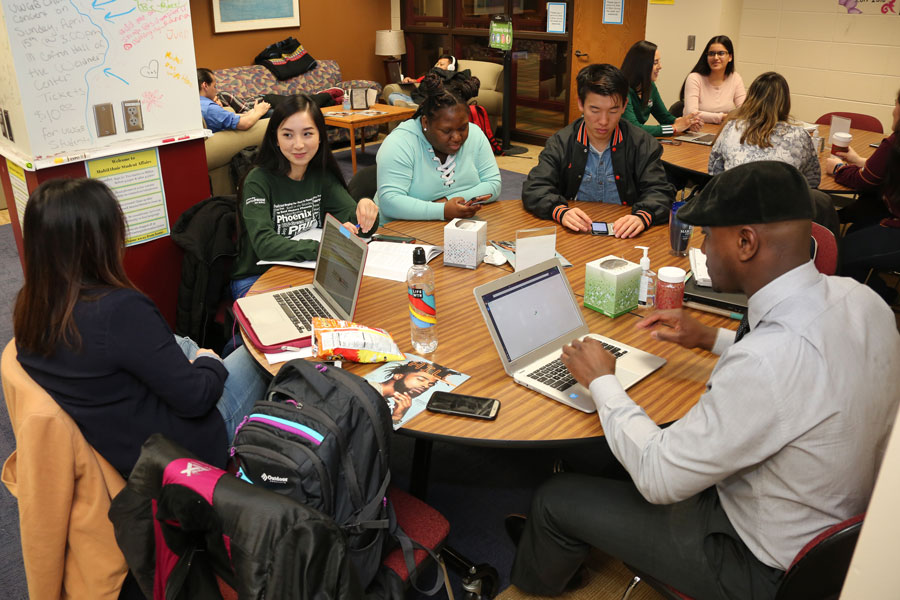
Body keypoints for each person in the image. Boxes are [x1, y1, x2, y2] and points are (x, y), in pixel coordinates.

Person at [508, 161, 900, 599]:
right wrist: (710, 337)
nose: (704, 250)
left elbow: (659, 477)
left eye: (708, 237)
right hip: (835, 532)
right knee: (623, 450)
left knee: (554, 497)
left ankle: (533, 587)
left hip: (757, 564)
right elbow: (810, 373)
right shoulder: (863, 301)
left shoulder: (765, 362)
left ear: (746, 242)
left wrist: (603, 381)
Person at [13, 178, 270, 476]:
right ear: (98, 239)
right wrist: (209, 363)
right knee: (259, 347)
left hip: (122, 435)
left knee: (185, 344)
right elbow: (197, 400)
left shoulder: (31, 305)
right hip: (184, 444)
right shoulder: (119, 310)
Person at [231, 93, 379, 299]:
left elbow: (357, 227)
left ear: (320, 136)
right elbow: (265, 245)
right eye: (288, 135)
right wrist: (324, 246)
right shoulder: (258, 180)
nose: (298, 144)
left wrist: (366, 208)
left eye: (307, 134)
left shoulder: (322, 175)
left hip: (308, 269)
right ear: (275, 138)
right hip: (256, 278)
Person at [522, 63, 675, 238]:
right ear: (581, 104)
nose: (603, 121)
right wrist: (560, 211)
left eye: (613, 111)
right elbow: (535, 188)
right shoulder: (561, 142)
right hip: (573, 235)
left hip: (625, 236)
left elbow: (661, 192)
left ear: (625, 106)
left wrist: (642, 216)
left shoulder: (643, 144)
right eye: (595, 110)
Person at [375, 71, 502, 222]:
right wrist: (442, 210)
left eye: (463, 128)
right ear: (425, 123)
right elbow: (390, 203)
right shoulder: (399, 143)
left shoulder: (475, 134)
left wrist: (448, 201)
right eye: (446, 131)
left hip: (451, 227)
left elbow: (493, 184)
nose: (457, 137)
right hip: (397, 231)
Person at [826, 88, 900, 303]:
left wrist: (838, 169)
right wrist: (859, 160)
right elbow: (883, 169)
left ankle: (875, 298)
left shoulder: (894, 142)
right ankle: (875, 287)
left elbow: (864, 180)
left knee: (840, 253)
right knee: (859, 225)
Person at [708, 72, 821, 187]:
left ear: (750, 97)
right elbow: (813, 181)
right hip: (782, 203)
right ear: (786, 101)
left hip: (734, 201)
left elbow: (714, 171)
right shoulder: (800, 135)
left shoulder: (732, 128)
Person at [620, 40, 700, 137]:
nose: (660, 67)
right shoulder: (622, 89)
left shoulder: (650, 86)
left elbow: (664, 117)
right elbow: (634, 128)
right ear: (641, 65)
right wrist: (674, 128)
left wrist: (686, 123)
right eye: (655, 62)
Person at [679, 35, 746, 124]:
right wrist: (723, 117)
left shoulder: (735, 78)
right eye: (711, 53)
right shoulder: (694, 78)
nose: (715, 58)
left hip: (723, 130)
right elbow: (691, 114)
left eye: (721, 53)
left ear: (730, 57)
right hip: (695, 130)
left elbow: (744, 110)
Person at [377, 361, 457, 424]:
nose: (426, 386)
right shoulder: (370, 392)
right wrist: (396, 417)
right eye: (421, 379)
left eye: (430, 385)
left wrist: (396, 417)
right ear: (398, 376)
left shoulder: (382, 398)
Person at [197, 67, 270, 133]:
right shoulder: (209, 107)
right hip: (229, 138)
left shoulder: (197, 104)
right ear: (205, 86)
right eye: (214, 86)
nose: (216, 90)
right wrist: (259, 112)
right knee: (271, 113)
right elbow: (245, 124)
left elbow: (228, 118)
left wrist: (252, 112)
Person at [387, 54, 458, 106]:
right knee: (393, 95)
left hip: (429, 102)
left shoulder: (453, 78)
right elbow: (419, 81)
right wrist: (410, 80)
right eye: (437, 64)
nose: (438, 67)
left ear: (450, 67)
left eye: (441, 64)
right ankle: (411, 106)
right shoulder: (432, 74)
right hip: (418, 98)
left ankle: (412, 106)